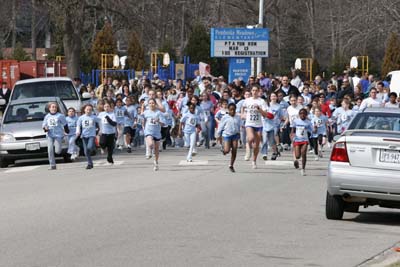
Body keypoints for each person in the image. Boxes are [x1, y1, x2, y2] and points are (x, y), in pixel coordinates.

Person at [241, 85, 272, 169]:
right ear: (251, 91)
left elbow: (266, 114)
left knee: (256, 145)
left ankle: (254, 161)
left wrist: (259, 109)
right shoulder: (247, 100)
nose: (254, 92)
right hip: (249, 123)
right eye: (253, 90)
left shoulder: (262, 101)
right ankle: (248, 149)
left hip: (258, 124)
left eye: (256, 90)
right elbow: (243, 107)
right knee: (250, 138)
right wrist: (242, 114)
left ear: (259, 92)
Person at [42, 102, 69, 170]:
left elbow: (65, 124)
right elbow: (44, 125)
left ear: (57, 109)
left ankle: (59, 147)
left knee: (57, 151)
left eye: (55, 107)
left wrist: (67, 131)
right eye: (52, 107)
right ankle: (52, 165)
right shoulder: (47, 116)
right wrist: (46, 129)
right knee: (50, 150)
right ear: (49, 108)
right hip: (50, 135)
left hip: (58, 135)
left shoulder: (60, 116)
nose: (54, 108)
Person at [217, 103, 241, 172]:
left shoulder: (237, 117)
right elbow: (221, 126)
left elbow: (239, 125)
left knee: (234, 149)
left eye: (234, 110)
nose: (232, 111)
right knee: (227, 150)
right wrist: (218, 135)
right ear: (228, 110)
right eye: (231, 110)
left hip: (235, 135)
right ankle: (224, 150)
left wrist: (239, 132)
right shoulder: (225, 117)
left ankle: (231, 165)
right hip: (227, 135)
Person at [143, 98, 165, 171]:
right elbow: (142, 119)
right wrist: (143, 127)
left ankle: (156, 163)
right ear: (148, 104)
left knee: (156, 149)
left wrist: (159, 121)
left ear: (155, 104)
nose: (151, 104)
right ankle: (148, 152)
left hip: (157, 132)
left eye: (153, 103)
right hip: (149, 131)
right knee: (150, 144)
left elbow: (163, 123)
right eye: (150, 103)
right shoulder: (146, 112)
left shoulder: (158, 113)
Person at [76, 104, 99, 169]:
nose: (88, 111)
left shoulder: (94, 117)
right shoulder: (81, 117)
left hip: (92, 135)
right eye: (87, 109)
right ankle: (90, 163)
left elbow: (100, 122)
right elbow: (78, 125)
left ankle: (93, 147)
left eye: (90, 110)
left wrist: (100, 130)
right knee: (86, 151)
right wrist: (78, 131)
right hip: (84, 135)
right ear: (84, 110)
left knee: (89, 147)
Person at [291, 108, 313, 176]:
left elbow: (311, 130)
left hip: (304, 140)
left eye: (304, 114)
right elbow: (293, 130)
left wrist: (314, 129)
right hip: (297, 140)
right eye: (301, 114)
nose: (302, 115)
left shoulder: (308, 122)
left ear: (306, 115)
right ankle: (296, 161)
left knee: (304, 154)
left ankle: (303, 169)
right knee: (298, 156)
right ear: (299, 115)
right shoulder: (296, 121)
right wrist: (292, 137)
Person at [261, 92, 282, 161]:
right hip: (265, 124)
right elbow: (262, 113)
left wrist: (281, 124)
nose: (273, 98)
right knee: (264, 140)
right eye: (272, 96)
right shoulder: (266, 105)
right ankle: (264, 154)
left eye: (275, 96)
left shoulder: (279, 106)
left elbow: (280, 116)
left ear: (277, 97)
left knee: (272, 141)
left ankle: (275, 152)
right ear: (269, 97)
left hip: (274, 125)